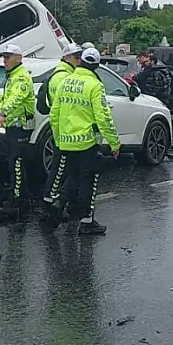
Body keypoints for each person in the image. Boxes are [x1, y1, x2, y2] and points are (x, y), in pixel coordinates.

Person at [49, 47, 120, 235]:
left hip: (65, 141)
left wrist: (58, 138)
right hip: (86, 142)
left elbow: (54, 113)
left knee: (72, 175)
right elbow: (103, 117)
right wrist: (114, 143)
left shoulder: (65, 82)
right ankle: (87, 221)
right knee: (89, 178)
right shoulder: (94, 85)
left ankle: (60, 201)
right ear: (96, 65)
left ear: (80, 61)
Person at [0, 44, 39, 215]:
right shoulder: (13, 76)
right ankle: (23, 198)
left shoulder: (20, 78)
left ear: (19, 58)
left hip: (20, 128)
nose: (4, 61)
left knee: (16, 164)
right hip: (13, 127)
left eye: (8, 57)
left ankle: (15, 202)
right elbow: (6, 97)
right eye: (3, 57)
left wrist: (2, 114)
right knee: (15, 164)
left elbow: (16, 99)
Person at [43, 43, 83, 209]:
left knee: (65, 168)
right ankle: (49, 203)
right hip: (64, 130)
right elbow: (63, 107)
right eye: (76, 57)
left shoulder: (65, 73)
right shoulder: (62, 77)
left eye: (80, 56)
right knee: (59, 168)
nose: (79, 60)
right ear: (66, 58)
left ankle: (62, 200)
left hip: (64, 128)